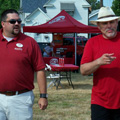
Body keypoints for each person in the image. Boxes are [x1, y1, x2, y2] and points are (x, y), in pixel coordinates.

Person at [0, 9, 48, 120]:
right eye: (12, 21)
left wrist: (43, 96)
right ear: (3, 24)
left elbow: (40, 69)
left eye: (19, 21)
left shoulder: (29, 42)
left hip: (20, 98)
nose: (17, 24)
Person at [80, 7, 120, 120]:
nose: (108, 26)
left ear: (117, 22)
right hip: (100, 101)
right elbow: (83, 70)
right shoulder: (92, 43)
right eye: (104, 23)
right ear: (99, 26)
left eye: (111, 22)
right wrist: (98, 62)